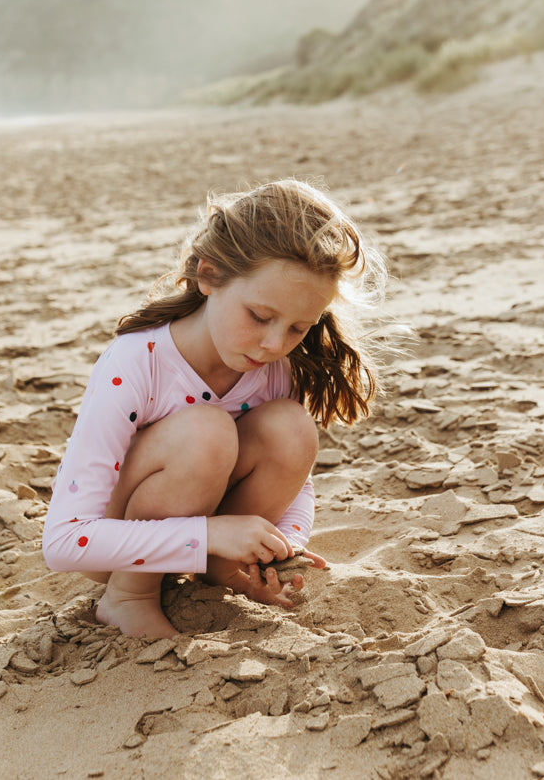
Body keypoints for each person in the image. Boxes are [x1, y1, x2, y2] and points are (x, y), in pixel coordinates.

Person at [41, 179, 388, 638]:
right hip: (118, 547)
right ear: (208, 276)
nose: (272, 344)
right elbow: (65, 542)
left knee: (291, 427)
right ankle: (131, 596)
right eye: (260, 317)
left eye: (297, 328)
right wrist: (210, 533)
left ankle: (223, 572)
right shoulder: (135, 362)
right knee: (207, 432)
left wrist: (283, 544)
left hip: (202, 540)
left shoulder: (274, 368)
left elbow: (297, 481)